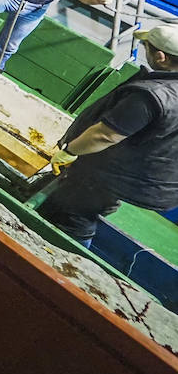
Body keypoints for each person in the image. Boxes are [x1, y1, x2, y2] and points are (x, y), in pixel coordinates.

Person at [39, 24, 178, 246]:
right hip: (154, 181)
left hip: (116, 177)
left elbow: (105, 135)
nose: (144, 48)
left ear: (161, 57)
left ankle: (61, 259)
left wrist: (69, 151)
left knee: (70, 212)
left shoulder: (153, 96)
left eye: (147, 47)